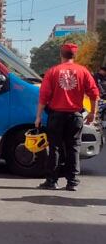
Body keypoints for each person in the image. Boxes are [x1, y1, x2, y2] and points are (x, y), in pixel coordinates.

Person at [35, 42, 99, 191]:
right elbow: (94, 94)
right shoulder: (83, 71)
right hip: (75, 116)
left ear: (61, 54)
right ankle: (72, 182)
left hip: (56, 116)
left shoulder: (52, 72)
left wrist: (38, 116)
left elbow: (43, 97)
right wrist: (92, 113)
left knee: (55, 148)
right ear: (75, 55)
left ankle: (52, 181)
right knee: (74, 148)